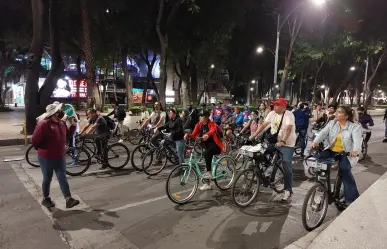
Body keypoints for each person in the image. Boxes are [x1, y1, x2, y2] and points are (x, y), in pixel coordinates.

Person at [31, 102, 80, 209]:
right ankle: (46, 198)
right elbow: (34, 140)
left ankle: (68, 199)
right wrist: (42, 150)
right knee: (47, 178)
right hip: (46, 157)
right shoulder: (43, 124)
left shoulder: (61, 123)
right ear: (54, 113)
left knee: (62, 177)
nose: (62, 112)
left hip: (60, 156)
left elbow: (67, 134)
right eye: (59, 111)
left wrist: (73, 125)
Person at [311, 105, 361, 205]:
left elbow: (357, 141)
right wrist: (315, 142)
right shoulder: (332, 123)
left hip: (345, 153)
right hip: (331, 150)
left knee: (344, 171)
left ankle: (351, 199)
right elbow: (323, 133)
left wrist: (355, 151)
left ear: (346, 116)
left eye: (339, 112)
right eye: (336, 111)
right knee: (317, 163)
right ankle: (320, 188)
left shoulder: (354, 127)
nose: (336, 114)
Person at [250, 98, 296, 201]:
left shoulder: (289, 115)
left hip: (287, 144)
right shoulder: (272, 113)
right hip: (274, 141)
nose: (274, 107)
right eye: (274, 105)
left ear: (283, 107)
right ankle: (263, 176)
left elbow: (288, 129)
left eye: (277, 105)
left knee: (286, 165)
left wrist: (283, 141)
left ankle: (288, 190)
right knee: (259, 153)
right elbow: (263, 125)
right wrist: (253, 136)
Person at [185, 110, 224, 191]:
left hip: (216, 146)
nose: (200, 117)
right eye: (199, 116)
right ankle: (208, 184)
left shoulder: (212, 123)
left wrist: (207, 134)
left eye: (201, 116)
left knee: (206, 154)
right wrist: (188, 135)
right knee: (206, 160)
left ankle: (209, 173)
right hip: (207, 147)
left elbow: (212, 130)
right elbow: (193, 134)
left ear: (206, 117)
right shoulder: (199, 124)